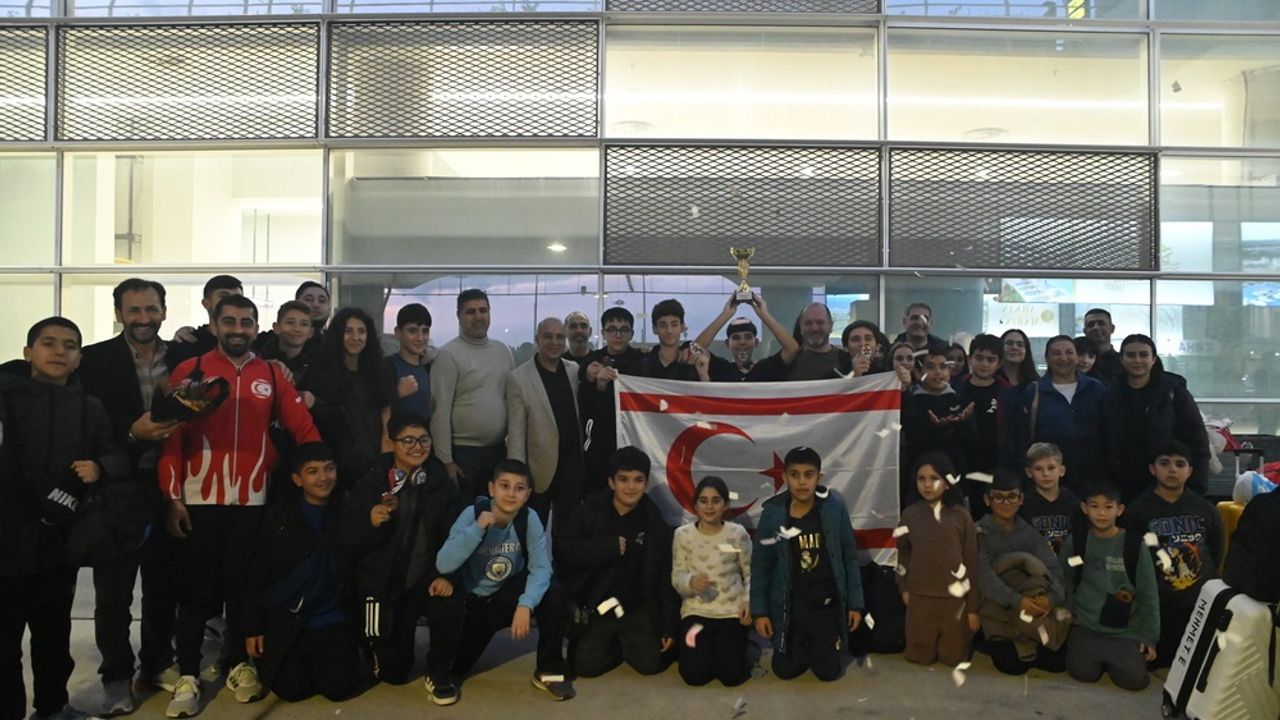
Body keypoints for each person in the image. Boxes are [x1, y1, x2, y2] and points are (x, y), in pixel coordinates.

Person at [158, 294, 321, 718]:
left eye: (246, 322)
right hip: (199, 499)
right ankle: (188, 674)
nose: (238, 329)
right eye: (229, 321)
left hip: (253, 500)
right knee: (195, 592)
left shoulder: (272, 373)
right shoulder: (190, 370)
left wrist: (318, 474)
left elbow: (304, 429)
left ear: (256, 328)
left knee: (245, 588)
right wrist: (172, 497)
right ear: (214, 325)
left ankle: (237, 664)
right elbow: (172, 438)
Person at [1, 317, 128, 720]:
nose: (59, 351)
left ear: (79, 359)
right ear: (28, 353)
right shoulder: (5, 400)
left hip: (59, 540)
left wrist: (101, 467)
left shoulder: (89, 407)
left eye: (70, 346)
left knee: (54, 633)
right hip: (6, 540)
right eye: (49, 343)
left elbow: (114, 451)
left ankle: (53, 708)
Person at [75, 278, 182, 716]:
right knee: (114, 591)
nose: (143, 318)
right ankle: (117, 675)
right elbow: (85, 423)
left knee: (164, 583)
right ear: (119, 313)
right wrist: (131, 433)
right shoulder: (94, 360)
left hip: (171, 484)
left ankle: (156, 662)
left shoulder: (183, 357)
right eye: (134, 310)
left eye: (151, 309)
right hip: (118, 487)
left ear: (164, 311)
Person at [431, 459, 575, 703]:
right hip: (475, 601)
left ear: (527, 494)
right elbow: (444, 564)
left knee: (553, 593)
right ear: (491, 489)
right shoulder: (472, 514)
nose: (511, 494)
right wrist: (478, 528)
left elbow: (541, 567)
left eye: (519, 488)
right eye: (504, 486)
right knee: (458, 666)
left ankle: (549, 670)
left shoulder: (529, 518)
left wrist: (525, 605)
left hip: (508, 594)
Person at [344, 412, 461, 688]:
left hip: (426, 578)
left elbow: (457, 537)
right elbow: (348, 541)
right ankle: (375, 648)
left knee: (450, 603)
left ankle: (438, 671)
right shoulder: (371, 483)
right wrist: (370, 523)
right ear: (391, 442)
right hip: (384, 584)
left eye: (423, 440)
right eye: (408, 440)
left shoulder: (441, 483)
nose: (417, 447)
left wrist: (446, 576)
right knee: (394, 674)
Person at [242, 443, 361, 703]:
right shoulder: (278, 519)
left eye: (329, 468)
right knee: (291, 690)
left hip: (334, 617)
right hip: (290, 618)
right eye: (313, 471)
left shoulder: (348, 512)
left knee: (339, 689)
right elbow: (257, 574)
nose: (324, 478)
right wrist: (253, 628)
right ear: (297, 479)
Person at [558, 447, 679, 678]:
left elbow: (665, 575)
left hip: (635, 607)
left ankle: (626, 642)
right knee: (584, 668)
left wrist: (668, 626)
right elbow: (564, 550)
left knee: (651, 665)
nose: (631, 487)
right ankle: (612, 645)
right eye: (623, 479)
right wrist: (606, 548)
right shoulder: (589, 511)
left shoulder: (653, 519)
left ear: (646, 483)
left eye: (638, 480)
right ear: (611, 482)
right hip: (597, 605)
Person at [751, 447, 864, 682]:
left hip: (825, 606)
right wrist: (760, 612)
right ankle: (800, 646)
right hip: (791, 607)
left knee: (828, 672)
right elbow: (761, 566)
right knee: (785, 671)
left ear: (819, 477)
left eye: (808, 475)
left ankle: (824, 643)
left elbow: (849, 559)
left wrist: (855, 604)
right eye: (795, 475)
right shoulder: (772, 514)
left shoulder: (833, 509)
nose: (802, 482)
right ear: (784, 477)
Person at [1122, 441, 1222, 669]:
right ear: (1152, 469)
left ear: (1190, 471)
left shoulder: (1206, 509)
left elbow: (1217, 549)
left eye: (1180, 464)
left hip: (1197, 602)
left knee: (1198, 664)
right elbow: (1130, 555)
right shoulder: (1138, 510)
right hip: (1157, 603)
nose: (1172, 470)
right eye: (1165, 463)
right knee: (1152, 663)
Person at [1059, 482, 1158, 691]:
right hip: (1086, 624)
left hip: (1125, 629)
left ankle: (1119, 658)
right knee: (1083, 673)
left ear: (1119, 510)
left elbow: (1148, 593)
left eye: (1108, 506)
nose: (1101, 513)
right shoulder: (1076, 543)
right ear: (1084, 508)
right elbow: (1065, 578)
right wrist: (1067, 614)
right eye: (1094, 506)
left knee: (1134, 680)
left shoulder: (1134, 546)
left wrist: (1149, 636)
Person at [976, 470, 1068, 675]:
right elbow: (983, 576)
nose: (1005, 502)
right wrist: (1017, 601)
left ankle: (1030, 637)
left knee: (1057, 663)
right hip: (999, 607)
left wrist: (1050, 599)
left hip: (1033, 604)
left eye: (1012, 496)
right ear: (987, 500)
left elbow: (1053, 569)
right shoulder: (979, 532)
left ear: (1021, 499)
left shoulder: (1030, 533)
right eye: (998, 497)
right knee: (1011, 666)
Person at [1103, 333, 1210, 504]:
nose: (1137, 360)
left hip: (1168, 483)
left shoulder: (1174, 392)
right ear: (1121, 359)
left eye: (1143, 355)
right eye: (1131, 355)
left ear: (1153, 359)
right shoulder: (1110, 395)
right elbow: (1104, 441)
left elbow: (1197, 439)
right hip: (1123, 486)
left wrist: (1197, 486)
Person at [895, 453, 980, 667]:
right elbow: (903, 554)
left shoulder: (961, 517)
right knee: (919, 656)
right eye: (921, 478)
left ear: (948, 482)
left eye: (934, 478)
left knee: (953, 658)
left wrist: (972, 608)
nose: (927, 484)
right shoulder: (910, 515)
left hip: (954, 600)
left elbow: (971, 562)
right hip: (920, 597)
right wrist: (904, 588)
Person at [430, 289, 516, 499]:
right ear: (459, 316)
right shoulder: (447, 355)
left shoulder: (503, 351)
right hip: (462, 455)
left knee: (496, 514)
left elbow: (513, 402)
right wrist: (446, 461)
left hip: (498, 453)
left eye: (483, 310)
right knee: (465, 516)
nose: (478, 317)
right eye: (470, 312)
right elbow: (440, 412)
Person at [672, 476, 752, 687]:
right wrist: (690, 582)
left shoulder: (737, 534)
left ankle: (737, 645)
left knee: (731, 676)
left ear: (726, 505)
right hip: (696, 613)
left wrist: (747, 601)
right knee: (694, 676)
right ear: (695, 505)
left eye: (716, 501)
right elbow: (677, 576)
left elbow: (750, 572)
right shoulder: (682, 535)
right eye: (703, 501)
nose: (709, 507)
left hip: (730, 613)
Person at [506, 317, 585, 524]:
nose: (555, 342)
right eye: (548, 336)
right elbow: (516, 434)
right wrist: (517, 476)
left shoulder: (574, 370)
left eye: (560, 337)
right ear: (537, 339)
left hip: (572, 469)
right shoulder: (518, 379)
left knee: (568, 533)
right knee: (532, 532)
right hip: (538, 473)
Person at [303, 307, 388, 496]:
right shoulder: (321, 372)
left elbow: (383, 409)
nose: (355, 337)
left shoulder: (377, 372)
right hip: (334, 463)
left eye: (361, 331)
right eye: (348, 331)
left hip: (373, 461)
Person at [1008, 335, 1105, 496]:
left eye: (1069, 352)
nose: (1063, 358)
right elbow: (1022, 435)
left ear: (1076, 356)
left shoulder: (1095, 388)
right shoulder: (1034, 390)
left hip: (1091, 474)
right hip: (1047, 475)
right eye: (1056, 353)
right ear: (1046, 358)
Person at [578, 308, 647, 496]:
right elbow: (584, 406)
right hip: (600, 447)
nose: (618, 335)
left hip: (634, 441)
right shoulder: (591, 363)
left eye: (624, 330)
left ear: (631, 333)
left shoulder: (642, 361)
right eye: (612, 329)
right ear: (603, 333)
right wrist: (599, 386)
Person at [902, 344, 976, 508]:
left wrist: (963, 423)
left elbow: (969, 443)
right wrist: (937, 428)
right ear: (918, 372)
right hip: (921, 478)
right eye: (930, 367)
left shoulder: (959, 401)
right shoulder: (911, 402)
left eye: (943, 367)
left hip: (955, 475)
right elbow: (913, 441)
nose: (938, 372)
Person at [954, 334, 1009, 508]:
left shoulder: (1008, 393)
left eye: (991, 360)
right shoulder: (956, 389)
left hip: (996, 463)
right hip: (962, 463)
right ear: (970, 359)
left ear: (999, 363)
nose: (984, 364)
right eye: (979, 358)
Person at [692, 293, 798, 382]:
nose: (742, 342)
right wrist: (725, 315)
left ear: (756, 342)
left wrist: (764, 314)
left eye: (748, 337)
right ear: (727, 343)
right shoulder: (722, 369)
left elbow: (793, 349)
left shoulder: (766, 368)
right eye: (736, 338)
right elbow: (695, 348)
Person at [166, 275, 242, 366]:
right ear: (206, 303)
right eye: (224, 297)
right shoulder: (185, 346)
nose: (232, 302)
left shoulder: (254, 343)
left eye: (238, 298)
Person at [1019, 443, 1080, 555]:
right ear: (1029, 472)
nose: (1045, 474)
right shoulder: (1023, 504)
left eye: (1051, 468)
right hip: (1034, 561)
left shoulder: (1073, 502)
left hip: (1070, 559)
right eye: (1038, 469)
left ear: (1062, 470)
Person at [256, 301, 322, 398]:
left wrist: (314, 402)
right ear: (276, 328)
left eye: (304, 324)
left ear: (310, 332)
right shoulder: (260, 359)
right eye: (290, 322)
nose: (297, 329)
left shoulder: (322, 364)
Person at [636, 299, 709, 382]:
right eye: (663, 325)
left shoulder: (695, 363)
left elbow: (706, 390)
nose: (669, 331)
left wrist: (703, 375)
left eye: (674, 325)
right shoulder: (643, 367)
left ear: (682, 327)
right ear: (655, 329)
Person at [384, 303, 432, 420]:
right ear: (398, 333)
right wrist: (398, 393)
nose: (420, 338)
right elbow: (373, 409)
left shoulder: (429, 368)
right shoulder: (386, 367)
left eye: (425, 331)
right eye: (412, 331)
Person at [252, 281, 331, 353]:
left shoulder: (334, 342)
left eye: (322, 301)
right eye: (308, 299)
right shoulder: (264, 342)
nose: (316, 305)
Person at [785, 303, 847, 381]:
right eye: (808, 323)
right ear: (801, 327)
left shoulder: (846, 361)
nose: (814, 328)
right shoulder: (788, 361)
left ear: (831, 326)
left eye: (820, 322)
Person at [1083, 308, 1123, 387]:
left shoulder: (1123, 362)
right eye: (1091, 325)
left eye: (1101, 323)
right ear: (1085, 331)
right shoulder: (1076, 363)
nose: (1096, 327)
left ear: (1112, 328)